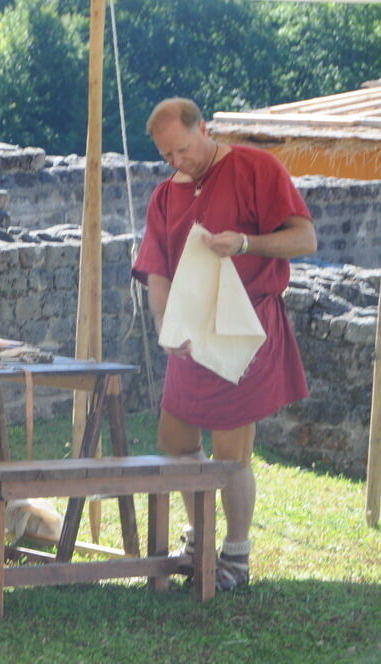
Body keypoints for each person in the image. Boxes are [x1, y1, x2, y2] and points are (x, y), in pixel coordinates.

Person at [132, 98, 317, 591]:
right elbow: (156, 271)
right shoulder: (165, 196)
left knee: (231, 451)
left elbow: (305, 239)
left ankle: (235, 554)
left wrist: (246, 243)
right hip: (191, 334)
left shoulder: (256, 167)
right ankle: (200, 539)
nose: (177, 162)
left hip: (244, 325)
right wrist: (163, 326)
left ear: (204, 129)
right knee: (175, 443)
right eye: (167, 155)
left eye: (183, 150)